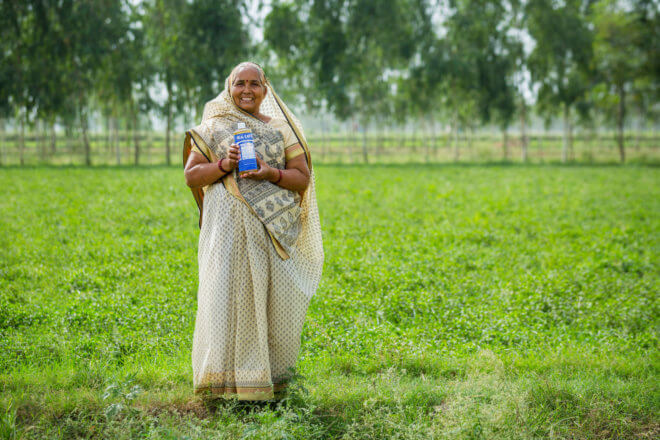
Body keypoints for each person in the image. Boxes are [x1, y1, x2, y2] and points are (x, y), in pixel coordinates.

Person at [182, 62, 323, 401]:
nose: (247, 90)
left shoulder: (281, 129)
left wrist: (269, 173)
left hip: (269, 234)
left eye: (254, 84)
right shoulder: (215, 127)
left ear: (265, 89)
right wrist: (223, 165)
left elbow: (301, 178)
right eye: (239, 84)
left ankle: (264, 384)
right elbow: (191, 176)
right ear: (228, 89)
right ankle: (221, 388)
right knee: (223, 300)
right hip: (225, 234)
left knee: (267, 304)